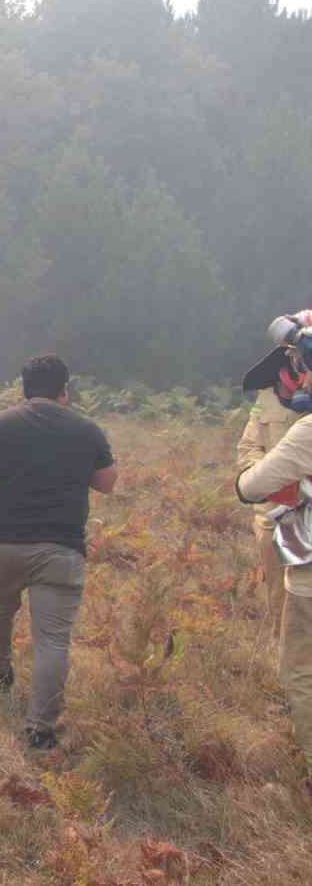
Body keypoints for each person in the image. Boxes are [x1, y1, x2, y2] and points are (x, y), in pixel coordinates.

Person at [0, 354, 117, 750]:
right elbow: (107, 483)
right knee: (52, 641)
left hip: (4, 544)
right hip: (60, 550)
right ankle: (41, 729)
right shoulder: (86, 429)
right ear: (65, 391)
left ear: (23, 390)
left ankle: (0, 672)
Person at [233, 324, 312, 778]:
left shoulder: (304, 430)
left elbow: (249, 485)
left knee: (300, 667)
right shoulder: (266, 402)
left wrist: (279, 480)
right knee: (281, 616)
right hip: (277, 526)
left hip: (305, 553)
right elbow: (248, 453)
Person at [239, 313, 310, 638]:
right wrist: (266, 479)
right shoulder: (267, 397)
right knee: (279, 590)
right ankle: (279, 643)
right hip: (271, 513)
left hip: (306, 512)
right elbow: (249, 446)